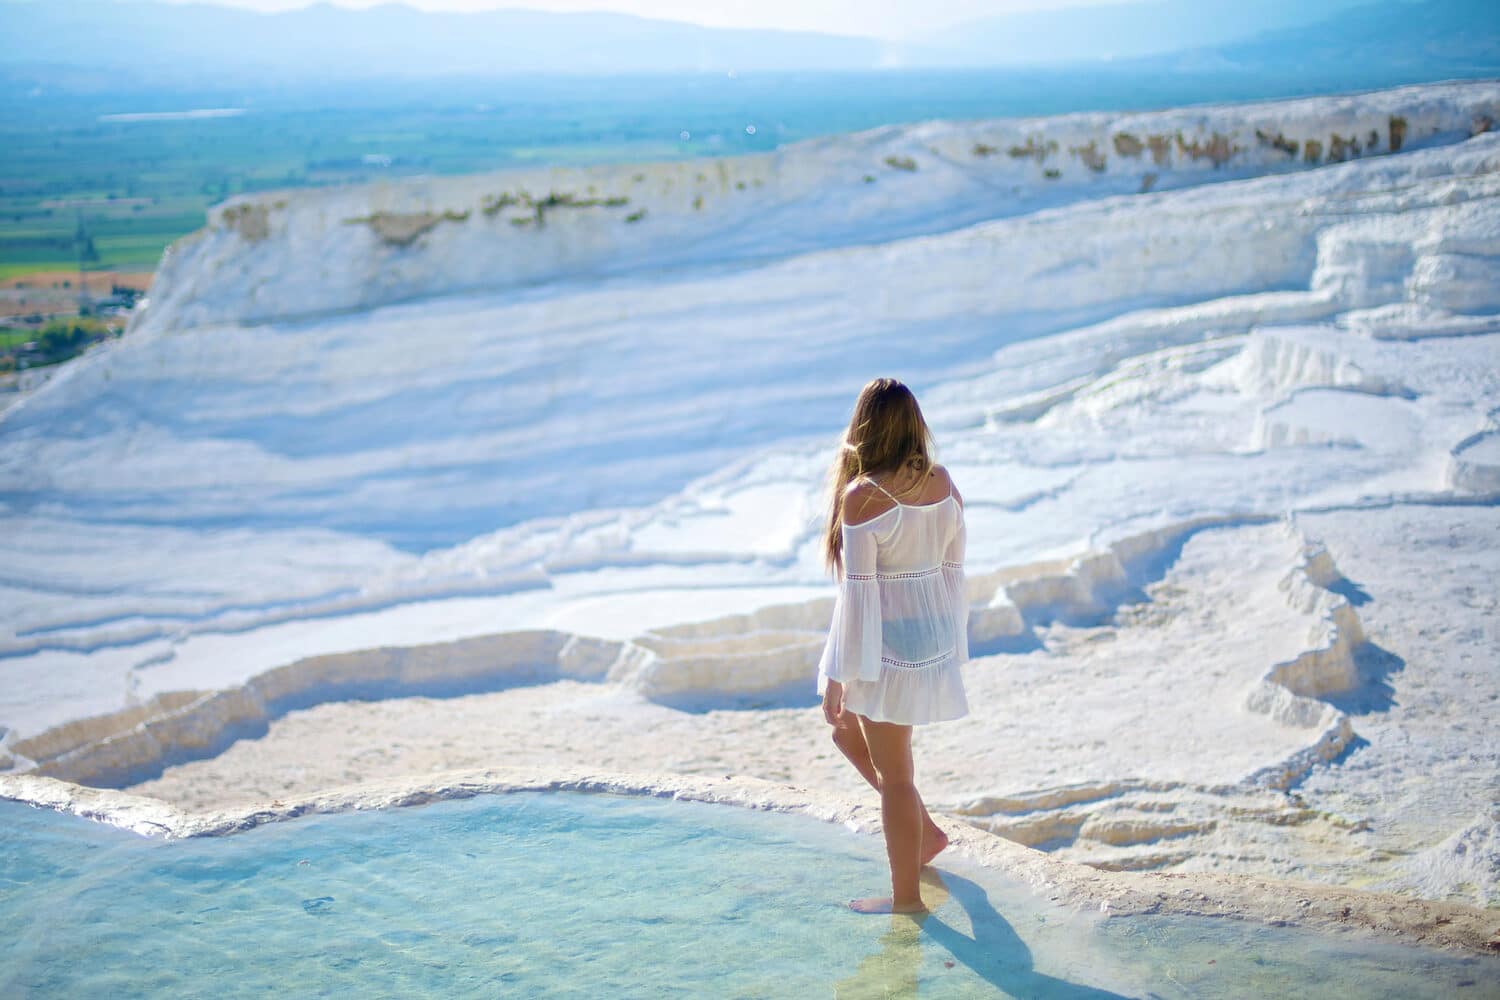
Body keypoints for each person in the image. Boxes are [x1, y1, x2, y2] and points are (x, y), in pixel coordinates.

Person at [818, 377, 969, 914]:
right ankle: (923, 833)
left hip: (889, 645)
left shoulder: (864, 497)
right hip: (928, 635)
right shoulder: (944, 483)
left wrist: (838, 673)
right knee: (844, 730)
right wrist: (950, 641)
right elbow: (952, 568)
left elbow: (857, 597)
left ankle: (907, 899)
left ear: (864, 428)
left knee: (897, 773)